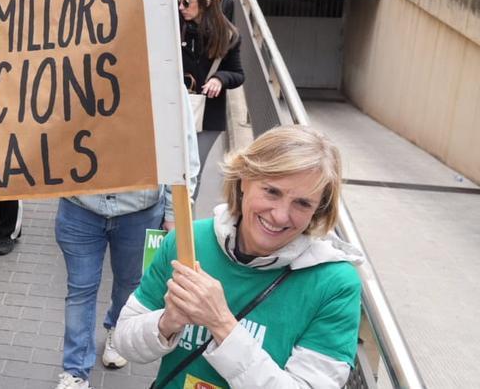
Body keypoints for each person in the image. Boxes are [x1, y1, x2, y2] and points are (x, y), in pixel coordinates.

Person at [113, 125, 363, 389]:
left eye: (302, 203)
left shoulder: (335, 284)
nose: (279, 215)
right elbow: (124, 342)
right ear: (244, 179)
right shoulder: (189, 242)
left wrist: (221, 323)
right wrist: (167, 322)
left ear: (317, 210)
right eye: (272, 191)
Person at [53, 178, 173, 388]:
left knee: (128, 283)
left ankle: (118, 329)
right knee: (80, 290)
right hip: (80, 204)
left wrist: (174, 212)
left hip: (139, 210)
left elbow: (180, 151)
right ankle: (75, 371)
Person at [178, 0, 244, 132]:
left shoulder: (227, 35)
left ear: (206, 3)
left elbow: (238, 74)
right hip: (175, 108)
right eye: (178, 1)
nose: (180, 7)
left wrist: (220, 79)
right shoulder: (176, 26)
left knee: (200, 156)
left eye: (186, 2)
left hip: (208, 115)